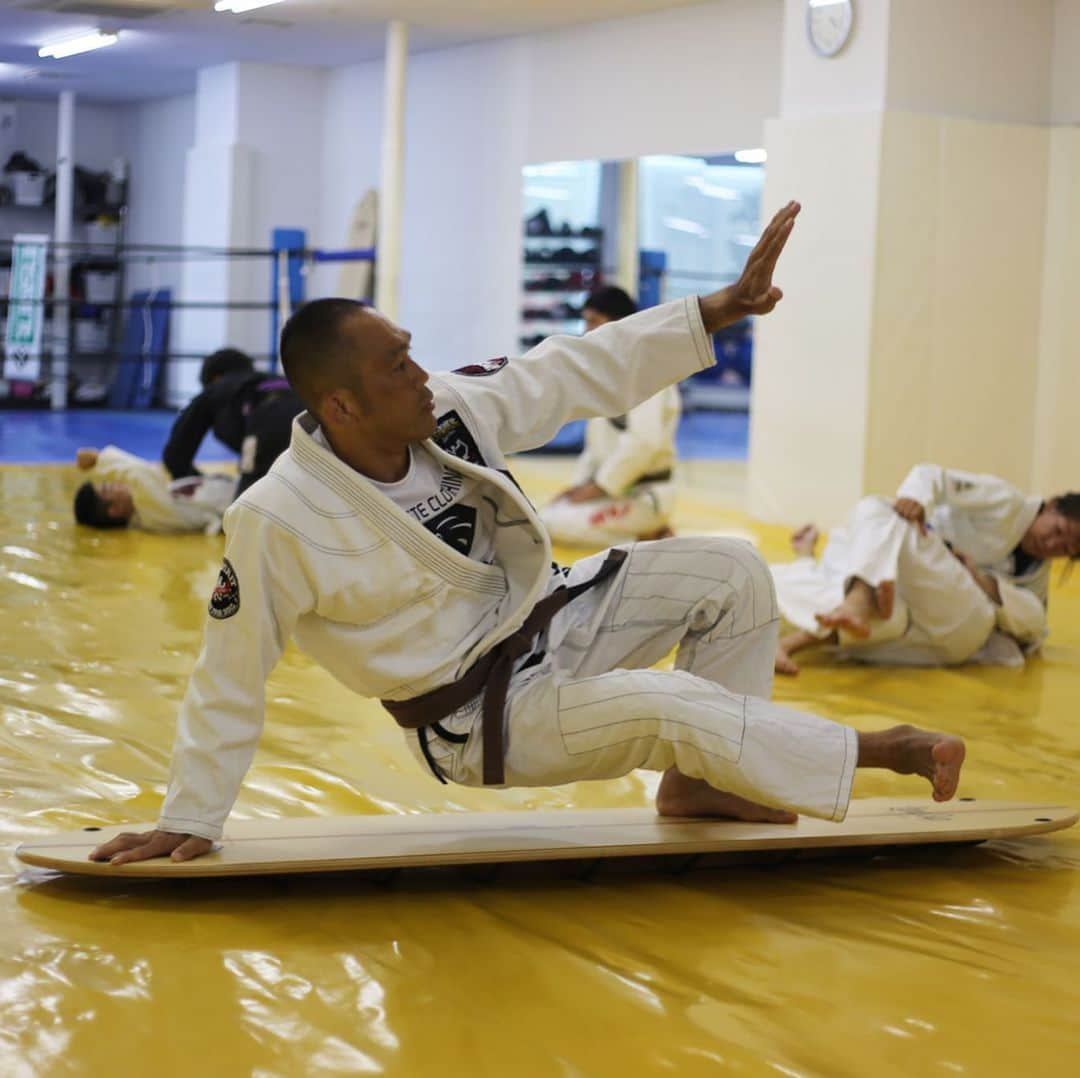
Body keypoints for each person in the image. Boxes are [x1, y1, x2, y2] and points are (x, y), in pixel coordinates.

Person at [89, 202, 967, 868]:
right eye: (397, 367)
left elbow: (571, 369)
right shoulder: (275, 518)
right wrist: (191, 818)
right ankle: (874, 751)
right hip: (478, 717)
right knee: (670, 705)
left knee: (734, 570)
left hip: (552, 624)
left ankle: (711, 781)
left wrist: (716, 311)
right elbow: (227, 677)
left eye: (411, 351)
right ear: (343, 405)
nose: (421, 374)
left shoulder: (446, 415)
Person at [773, 465, 1080, 674]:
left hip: (963, 617)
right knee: (889, 618)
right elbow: (933, 475)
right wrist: (916, 498)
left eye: (1067, 548)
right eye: (1059, 530)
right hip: (918, 621)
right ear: (1051, 506)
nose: (1055, 544)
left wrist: (980, 580)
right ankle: (788, 645)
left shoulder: (1036, 581)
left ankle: (858, 598)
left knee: (877, 510)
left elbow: (1034, 626)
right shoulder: (1005, 501)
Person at [539, 286, 680, 546]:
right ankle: (644, 536)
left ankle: (648, 536)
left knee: (550, 526)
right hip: (615, 492)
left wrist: (599, 487)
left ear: (617, 324)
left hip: (645, 494)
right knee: (544, 516)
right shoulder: (610, 374)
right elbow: (596, 447)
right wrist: (579, 487)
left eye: (593, 321)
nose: (586, 330)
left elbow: (644, 443)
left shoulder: (647, 372)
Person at [162, 347, 304, 497]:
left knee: (249, 502)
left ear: (214, 378)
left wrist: (195, 480)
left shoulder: (216, 389)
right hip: (313, 416)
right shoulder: (273, 380)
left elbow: (176, 454)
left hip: (267, 421)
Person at [72, 446, 235, 535]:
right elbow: (138, 474)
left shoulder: (149, 507)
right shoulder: (149, 512)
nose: (115, 483)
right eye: (108, 488)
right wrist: (97, 459)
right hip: (235, 500)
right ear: (114, 511)